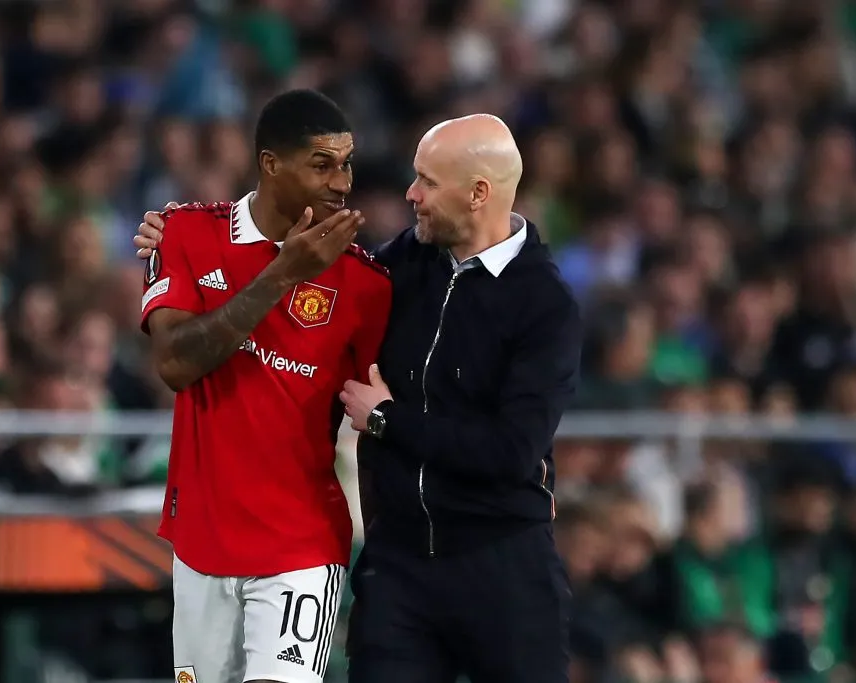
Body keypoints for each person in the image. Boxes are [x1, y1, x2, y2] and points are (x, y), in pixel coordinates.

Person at [135, 114, 581, 683]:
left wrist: (390, 421)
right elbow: (304, 266)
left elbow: (512, 451)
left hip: (501, 563)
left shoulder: (545, 304)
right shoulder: (399, 268)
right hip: (398, 566)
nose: (410, 193)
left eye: (427, 182)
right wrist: (176, 239)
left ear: (478, 194)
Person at [138, 89, 392, 683]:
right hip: (201, 537)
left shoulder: (365, 283)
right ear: (271, 164)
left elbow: (377, 429)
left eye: (347, 163)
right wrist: (284, 273)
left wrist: (382, 558)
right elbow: (176, 363)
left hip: (301, 545)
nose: (343, 183)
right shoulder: (183, 235)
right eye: (322, 165)